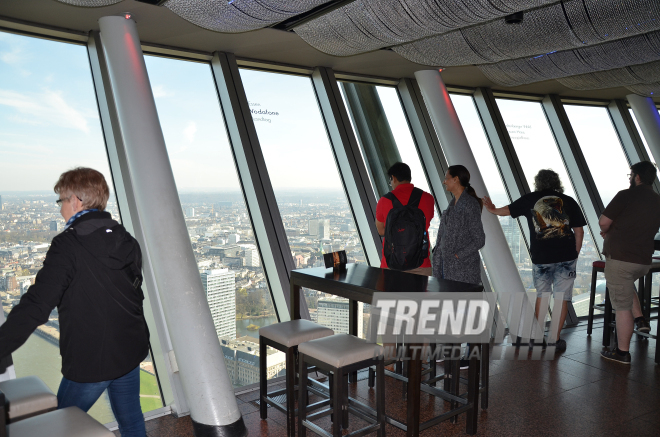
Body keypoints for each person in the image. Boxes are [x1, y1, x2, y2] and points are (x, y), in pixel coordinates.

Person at [0, 168, 149, 436]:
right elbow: (134, 296)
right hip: (130, 349)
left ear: (76, 201)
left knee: (59, 426)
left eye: (61, 201)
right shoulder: (126, 239)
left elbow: (37, 305)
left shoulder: (68, 245)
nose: (60, 210)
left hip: (93, 360)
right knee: (132, 421)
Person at [484, 169, 585, 352]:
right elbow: (579, 231)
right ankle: (554, 340)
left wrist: (491, 208)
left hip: (542, 257)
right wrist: (575, 253)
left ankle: (538, 338)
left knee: (542, 295)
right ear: (557, 183)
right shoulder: (569, 201)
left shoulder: (531, 199)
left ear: (538, 183)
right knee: (562, 297)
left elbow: (505, 211)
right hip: (566, 256)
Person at [599, 161, 660, 364]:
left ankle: (622, 353)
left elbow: (603, 222)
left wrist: (610, 230)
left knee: (621, 307)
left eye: (631, 175)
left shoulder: (625, 195)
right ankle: (640, 318)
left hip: (620, 258)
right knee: (626, 285)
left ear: (638, 177)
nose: (630, 178)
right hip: (643, 261)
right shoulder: (657, 200)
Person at [376, 162, 435, 276]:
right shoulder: (428, 198)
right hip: (421, 264)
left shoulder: (384, 201)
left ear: (393, 178)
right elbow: (425, 225)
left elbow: (382, 231)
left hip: (391, 265)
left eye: (390, 181)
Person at [432, 165, 485, 285]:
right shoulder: (453, 204)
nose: (443, 181)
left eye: (446, 178)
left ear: (455, 179)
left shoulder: (469, 204)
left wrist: (457, 256)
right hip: (448, 269)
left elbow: (479, 239)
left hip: (463, 272)